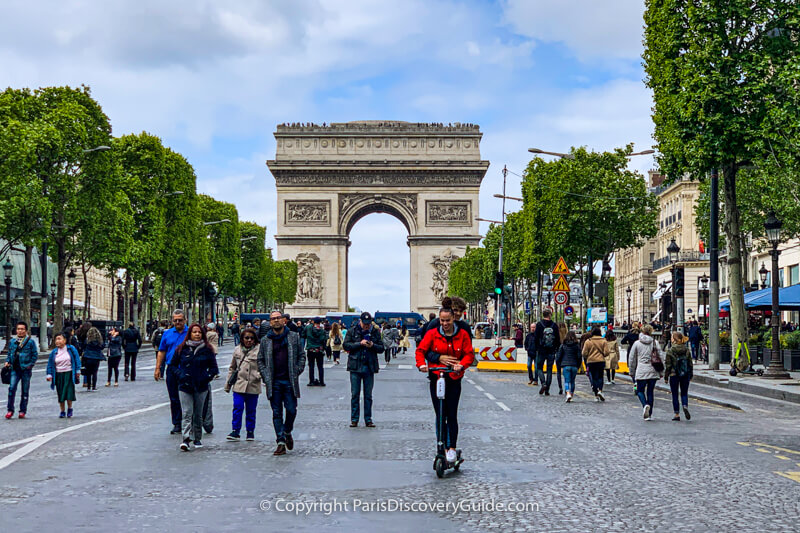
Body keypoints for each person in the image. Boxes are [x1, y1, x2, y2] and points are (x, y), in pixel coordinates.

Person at [416, 306, 475, 465]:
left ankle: (451, 447)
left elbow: (469, 354)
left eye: (447, 320)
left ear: (453, 319)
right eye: (442, 321)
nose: (445, 323)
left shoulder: (462, 334)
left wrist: (461, 365)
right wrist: (421, 365)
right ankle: (440, 446)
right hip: (437, 377)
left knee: (451, 414)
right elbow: (421, 350)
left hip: (454, 378)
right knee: (440, 414)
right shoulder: (432, 333)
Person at [258, 310, 305, 456]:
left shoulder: (293, 337)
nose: (276, 321)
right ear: (270, 322)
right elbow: (260, 360)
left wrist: (296, 371)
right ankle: (280, 441)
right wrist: (266, 375)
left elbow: (302, 356)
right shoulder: (265, 340)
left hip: (289, 380)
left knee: (291, 410)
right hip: (274, 382)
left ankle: (287, 431)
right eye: (273, 319)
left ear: (283, 320)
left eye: (278, 318)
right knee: (277, 412)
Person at [175, 324, 218, 451]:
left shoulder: (207, 349)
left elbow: (214, 368)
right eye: (194, 332)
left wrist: (206, 377)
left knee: (198, 414)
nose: (197, 334)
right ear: (190, 334)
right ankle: (186, 439)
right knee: (187, 413)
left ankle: (197, 437)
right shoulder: (181, 349)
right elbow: (172, 365)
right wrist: (181, 375)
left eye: (199, 332)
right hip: (185, 386)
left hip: (201, 386)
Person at [343, 312, 384, 427]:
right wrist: (359, 344)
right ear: (360, 321)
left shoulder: (375, 331)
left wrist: (373, 345)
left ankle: (368, 419)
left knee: (368, 395)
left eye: (368, 324)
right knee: (355, 394)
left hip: (369, 366)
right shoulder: (352, 331)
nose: (366, 326)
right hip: (355, 366)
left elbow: (381, 348)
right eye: (364, 323)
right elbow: (346, 345)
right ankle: (354, 419)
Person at [155, 310, 190, 435]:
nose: (177, 322)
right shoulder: (167, 334)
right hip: (171, 368)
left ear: (185, 320)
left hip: (186, 368)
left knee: (188, 397)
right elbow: (162, 351)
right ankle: (177, 423)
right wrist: (158, 368)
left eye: (180, 320)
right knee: (174, 397)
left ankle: (190, 421)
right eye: (175, 320)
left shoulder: (191, 332)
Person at [224, 327, 261, 441]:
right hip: (239, 384)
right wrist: (228, 385)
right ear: (242, 339)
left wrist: (258, 376)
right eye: (246, 338)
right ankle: (235, 431)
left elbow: (265, 366)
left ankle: (250, 431)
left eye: (251, 338)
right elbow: (232, 368)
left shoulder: (260, 350)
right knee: (237, 407)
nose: (249, 340)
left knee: (251, 410)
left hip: (253, 384)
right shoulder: (237, 350)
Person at [4, 322, 39, 419]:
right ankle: (10, 410)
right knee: (11, 389)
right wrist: (7, 361)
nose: (20, 331)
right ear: (16, 330)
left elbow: (35, 355)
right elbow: (10, 354)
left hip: (25, 369)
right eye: (18, 329)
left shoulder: (30, 342)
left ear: (26, 330)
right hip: (14, 369)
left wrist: (30, 365)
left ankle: (22, 411)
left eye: (22, 329)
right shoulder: (12, 342)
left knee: (25, 391)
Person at [629, 324, 663, 420]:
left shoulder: (637, 343)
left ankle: (645, 405)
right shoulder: (655, 342)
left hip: (641, 370)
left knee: (640, 390)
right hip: (653, 370)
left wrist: (631, 371)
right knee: (650, 392)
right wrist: (661, 372)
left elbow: (632, 359)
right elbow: (661, 357)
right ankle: (650, 414)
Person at [46, 333, 81, 418]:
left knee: (69, 392)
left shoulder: (71, 349)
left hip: (69, 373)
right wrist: (49, 374)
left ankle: (70, 408)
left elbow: (77, 360)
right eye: (56, 339)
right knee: (60, 393)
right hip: (58, 374)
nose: (57, 341)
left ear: (64, 340)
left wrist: (77, 370)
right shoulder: (54, 352)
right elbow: (50, 364)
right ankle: (62, 410)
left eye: (59, 339)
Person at [665, 331, 693, 421]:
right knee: (684, 393)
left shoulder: (670, 350)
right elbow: (690, 363)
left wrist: (666, 376)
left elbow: (668, 365)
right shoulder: (686, 349)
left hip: (674, 374)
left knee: (675, 394)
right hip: (685, 374)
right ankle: (685, 405)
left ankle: (676, 414)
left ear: (674, 339)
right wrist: (690, 374)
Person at [534, 309, 561, 395]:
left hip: (541, 350)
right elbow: (557, 339)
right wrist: (556, 349)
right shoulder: (554, 325)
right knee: (549, 370)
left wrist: (537, 348)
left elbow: (536, 338)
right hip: (551, 350)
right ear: (550, 315)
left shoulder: (539, 325)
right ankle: (547, 389)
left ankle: (543, 383)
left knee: (539, 368)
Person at [581, 327, 609, 402]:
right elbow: (606, 352)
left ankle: (596, 395)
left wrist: (589, 356)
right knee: (600, 376)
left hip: (591, 361)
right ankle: (600, 390)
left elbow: (584, 353)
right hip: (600, 361)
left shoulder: (588, 341)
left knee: (593, 377)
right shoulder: (604, 341)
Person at [556, 330, 582, 402]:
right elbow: (579, 356)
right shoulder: (577, 346)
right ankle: (572, 394)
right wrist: (578, 365)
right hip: (574, 365)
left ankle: (567, 393)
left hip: (565, 365)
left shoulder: (563, 345)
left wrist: (559, 364)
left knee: (566, 380)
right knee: (572, 381)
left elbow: (559, 356)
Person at [304, 317, 328, 386]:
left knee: (311, 366)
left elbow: (303, 335)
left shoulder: (308, 328)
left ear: (313, 322)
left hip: (310, 349)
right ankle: (321, 381)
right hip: (319, 350)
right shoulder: (322, 330)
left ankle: (311, 381)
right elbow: (324, 339)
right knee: (320, 366)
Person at [82, 326, 105, 391]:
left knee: (88, 372)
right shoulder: (99, 341)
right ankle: (94, 386)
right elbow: (102, 347)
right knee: (95, 372)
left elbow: (83, 346)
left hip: (88, 356)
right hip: (96, 357)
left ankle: (88, 386)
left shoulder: (87, 340)